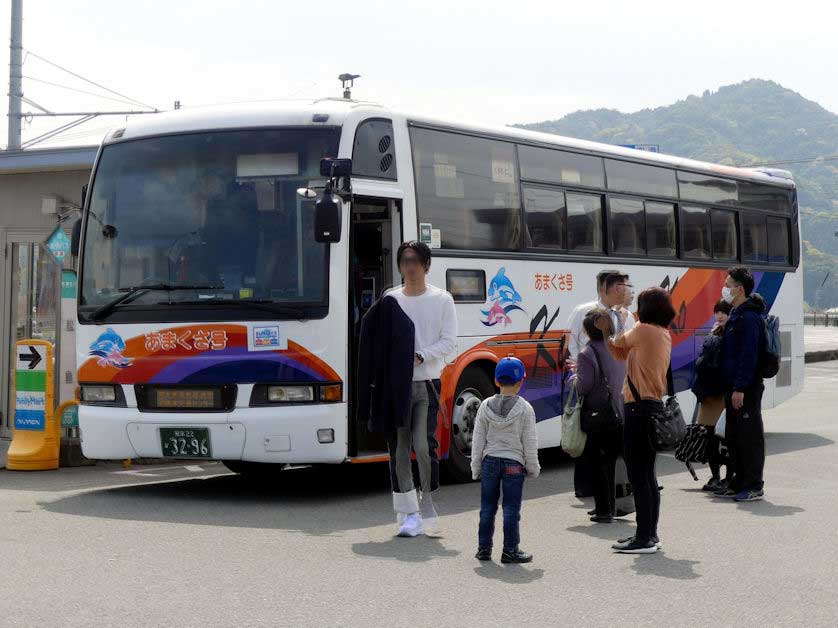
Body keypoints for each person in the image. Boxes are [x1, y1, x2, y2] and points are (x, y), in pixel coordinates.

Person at [386, 241, 457, 537]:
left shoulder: (442, 299)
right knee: (399, 448)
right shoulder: (390, 299)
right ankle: (407, 513)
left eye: (415, 260)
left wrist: (421, 355)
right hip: (396, 385)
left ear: (426, 265)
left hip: (427, 381)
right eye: (405, 260)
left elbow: (450, 341)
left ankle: (427, 501)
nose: (410, 266)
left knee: (423, 445)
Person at [601, 287, 675, 554]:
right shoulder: (662, 333)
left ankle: (644, 537)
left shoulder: (643, 330)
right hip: (650, 407)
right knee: (648, 476)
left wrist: (616, 320)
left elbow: (618, 342)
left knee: (639, 476)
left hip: (638, 410)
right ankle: (649, 534)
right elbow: (621, 352)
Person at [566, 271, 634, 501]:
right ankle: (587, 487)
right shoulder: (582, 312)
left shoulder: (627, 317)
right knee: (588, 438)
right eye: (620, 287)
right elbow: (572, 344)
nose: (624, 291)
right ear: (605, 287)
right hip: (590, 384)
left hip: (617, 387)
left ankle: (616, 489)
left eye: (625, 287)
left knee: (613, 443)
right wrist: (578, 369)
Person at [472, 357, 540, 564]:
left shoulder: (484, 406)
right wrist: (532, 467)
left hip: (490, 461)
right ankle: (510, 550)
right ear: (521, 382)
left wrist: (476, 467)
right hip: (513, 464)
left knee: (487, 508)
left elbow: (478, 440)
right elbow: (529, 442)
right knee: (511, 509)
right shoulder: (525, 408)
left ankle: (484, 549)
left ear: (496, 380)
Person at [716, 267, 767, 502]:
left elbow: (749, 356)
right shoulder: (737, 313)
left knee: (749, 436)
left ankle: (754, 484)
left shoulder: (750, 317)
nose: (725, 288)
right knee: (734, 435)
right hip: (732, 385)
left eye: (728, 284)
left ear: (740, 288)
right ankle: (738, 480)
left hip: (746, 388)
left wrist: (740, 388)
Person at [575, 309, 627, 523]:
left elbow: (584, 386)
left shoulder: (587, 354)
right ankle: (610, 507)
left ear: (588, 331)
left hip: (598, 414)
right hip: (619, 410)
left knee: (597, 463)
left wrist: (573, 379)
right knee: (612, 462)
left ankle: (604, 510)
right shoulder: (616, 346)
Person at [691, 300, 732, 491]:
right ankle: (715, 476)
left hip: (724, 394)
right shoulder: (713, 333)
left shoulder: (734, 333)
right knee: (709, 438)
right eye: (718, 312)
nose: (720, 315)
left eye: (724, 312)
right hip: (710, 396)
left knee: (727, 439)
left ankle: (728, 477)